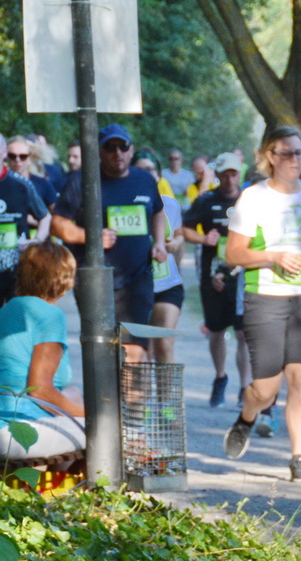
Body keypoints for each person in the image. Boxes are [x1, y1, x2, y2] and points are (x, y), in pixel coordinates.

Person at [221, 125, 301, 482]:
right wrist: (273, 256)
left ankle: (299, 459)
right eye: (286, 153)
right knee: (266, 388)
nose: (295, 160)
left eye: (299, 153)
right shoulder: (253, 198)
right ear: (270, 157)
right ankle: (247, 416)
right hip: (265, 297)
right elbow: (233, 253)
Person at [49, 124, 168, 362]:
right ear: (99, 152)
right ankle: (107, 399)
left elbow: (157, 211)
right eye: (110, 147)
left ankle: (132, 399)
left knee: (134, 349)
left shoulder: (144, 179)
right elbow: (58, 224)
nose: (118, 153)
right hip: (95, 280)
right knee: (102, 351)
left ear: (131, 150)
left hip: (138, 278)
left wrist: (160, 243)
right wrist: (90, 237)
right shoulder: (81, 181)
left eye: (123, 147)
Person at [0, 242, 86, 461]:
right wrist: (93, 418)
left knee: (73, 392)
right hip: (20, 422)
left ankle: (52, 483)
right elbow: (40, 391)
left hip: (8, 413)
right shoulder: (49, 315)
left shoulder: (6, 309)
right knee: (109, 430)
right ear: (64, 278)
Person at [181, 152, 250, 405]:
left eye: (234, 174)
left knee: (243, 333)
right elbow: (185, 229)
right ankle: (220, 378)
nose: (230, 179)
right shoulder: (206, 201)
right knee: (217, 330)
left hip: (243, 274)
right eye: (225, 174)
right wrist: (203, 239)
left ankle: (245, 387)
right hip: (213, 275)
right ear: (217, 175)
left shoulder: (249, 199)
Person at [134, 153, 187, 365]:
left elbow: (179, 235)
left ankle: (167, 398)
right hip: (137, 285)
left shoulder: (170, 205)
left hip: (168, 284)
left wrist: (175, 244)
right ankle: (144, 399)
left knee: (164, 343)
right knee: (142, 351)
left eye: (150, 170)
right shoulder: (123, 205)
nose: (146, 175)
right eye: (140, 170)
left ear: (158, 175)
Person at [0, 147, 50, 304]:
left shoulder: (21, 184)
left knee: (16, 321)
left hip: (16, 268)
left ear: (3, 153)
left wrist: (38, 240)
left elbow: (45, 217)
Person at [7, 138, 55, 217]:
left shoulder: (42, 183)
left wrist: (36, 221)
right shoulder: (2, 183)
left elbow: (57, 214)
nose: (17, 160)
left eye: (23, 156)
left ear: (29, 158)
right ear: (6, 157)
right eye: (12, 156)